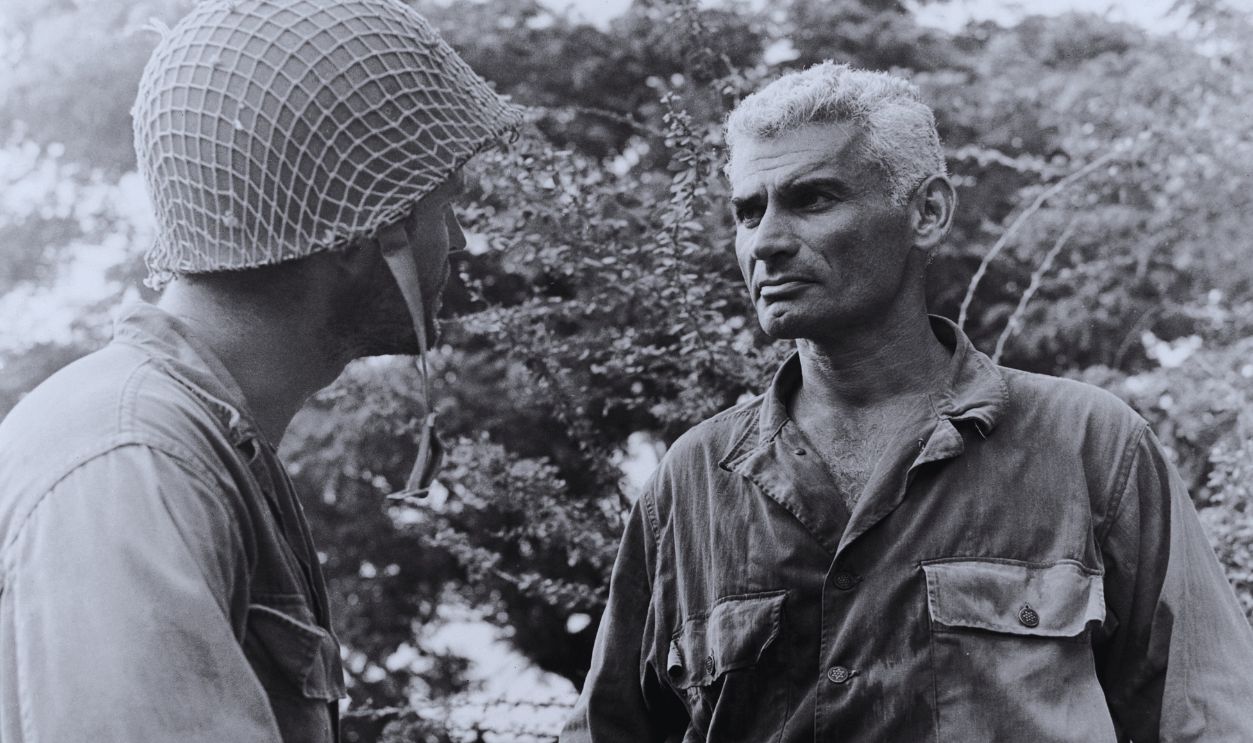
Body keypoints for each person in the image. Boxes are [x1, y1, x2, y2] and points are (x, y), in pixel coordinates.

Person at [561, 62, 1253, 742]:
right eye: (748, 210)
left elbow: (1210, 716)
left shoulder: (1090, 444)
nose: (765, 241)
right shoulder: (693, 481)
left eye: (812, 199)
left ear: (926, 211)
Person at [0, 1, 521, 741]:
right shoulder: (137, 464)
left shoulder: (199, 441)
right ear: (365, 227)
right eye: (444, 207)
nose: (460, 241)